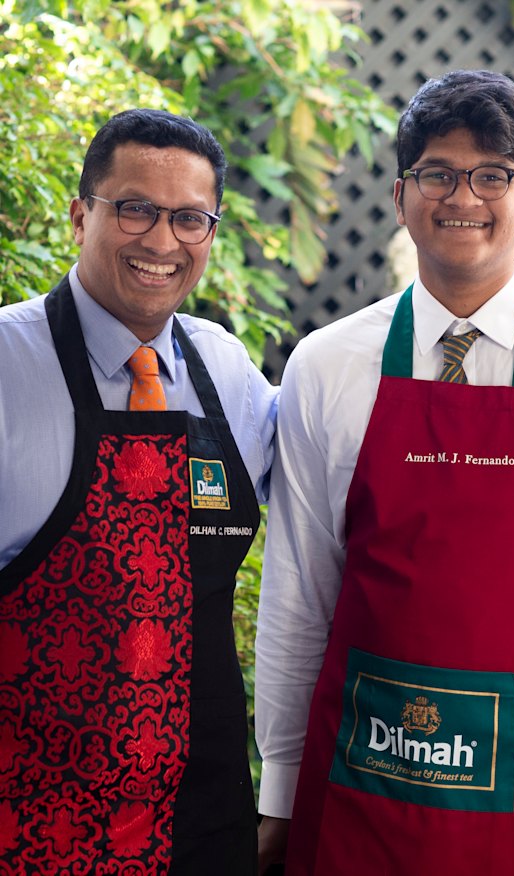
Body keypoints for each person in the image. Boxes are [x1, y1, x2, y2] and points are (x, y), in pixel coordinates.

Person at [255, 69, 514, 875]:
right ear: (403, 196)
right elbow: (299, 592)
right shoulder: (327, 365)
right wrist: (280, 791)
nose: (462, 195)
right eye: (437, 172)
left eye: (493, 175)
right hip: (362, 794)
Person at [0, 109, 278, 874]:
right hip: (32, 826)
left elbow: (347, 472)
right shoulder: (5, 362)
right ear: (80, 213)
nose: (162, 243)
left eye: (189, 218)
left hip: (204, 823)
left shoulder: (227, 370)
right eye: (135, 210)